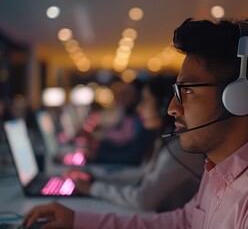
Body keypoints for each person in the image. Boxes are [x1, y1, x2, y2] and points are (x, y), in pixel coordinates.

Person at [23, 18, 248, 229]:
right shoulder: (219, 168)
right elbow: (184, 222)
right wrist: (78, 220)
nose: (173, 108)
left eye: (187, 91)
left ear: (240, 97)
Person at [62, 76, 204, 212]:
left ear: (163, 106)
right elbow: (142, 176)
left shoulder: (179, 149)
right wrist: (95, 177)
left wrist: (93, 188)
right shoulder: (165, 140)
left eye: (145, 101)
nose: (138, 108)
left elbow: (143, 198)